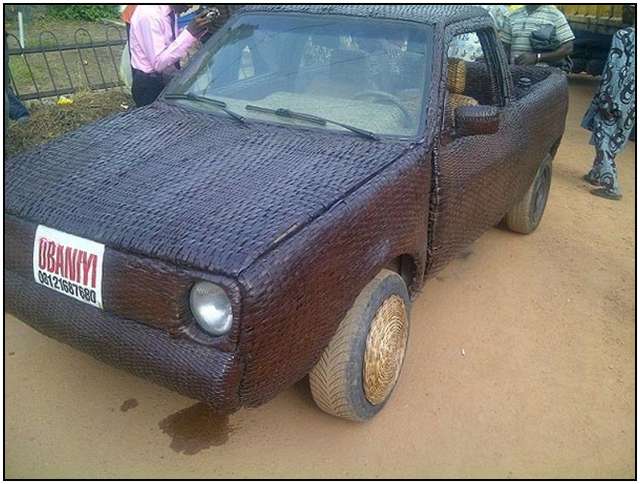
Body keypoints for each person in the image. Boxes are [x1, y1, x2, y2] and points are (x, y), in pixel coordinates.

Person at [581, 26, 635, 200]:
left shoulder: (625, 35)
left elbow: (615, 67)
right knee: (616, 136)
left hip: (617, 95)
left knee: (603, 134)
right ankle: (596, 174)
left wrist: (607, 98)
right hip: (633, 99)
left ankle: (610, 185)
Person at [128, 5, 211, 107]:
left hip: (166, 79)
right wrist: (189, 33)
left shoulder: (170, 11)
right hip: (150, 86)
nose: (191, 6)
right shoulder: (149, 15)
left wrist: (196, 30)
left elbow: (169, 44)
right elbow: (159, 63)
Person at [500, 5, 574, 69]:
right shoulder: (512, 16)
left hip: (544, 77)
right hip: (515, 74)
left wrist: (537, 57)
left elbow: (568, 48)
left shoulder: (555, 15)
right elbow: (504, 48)